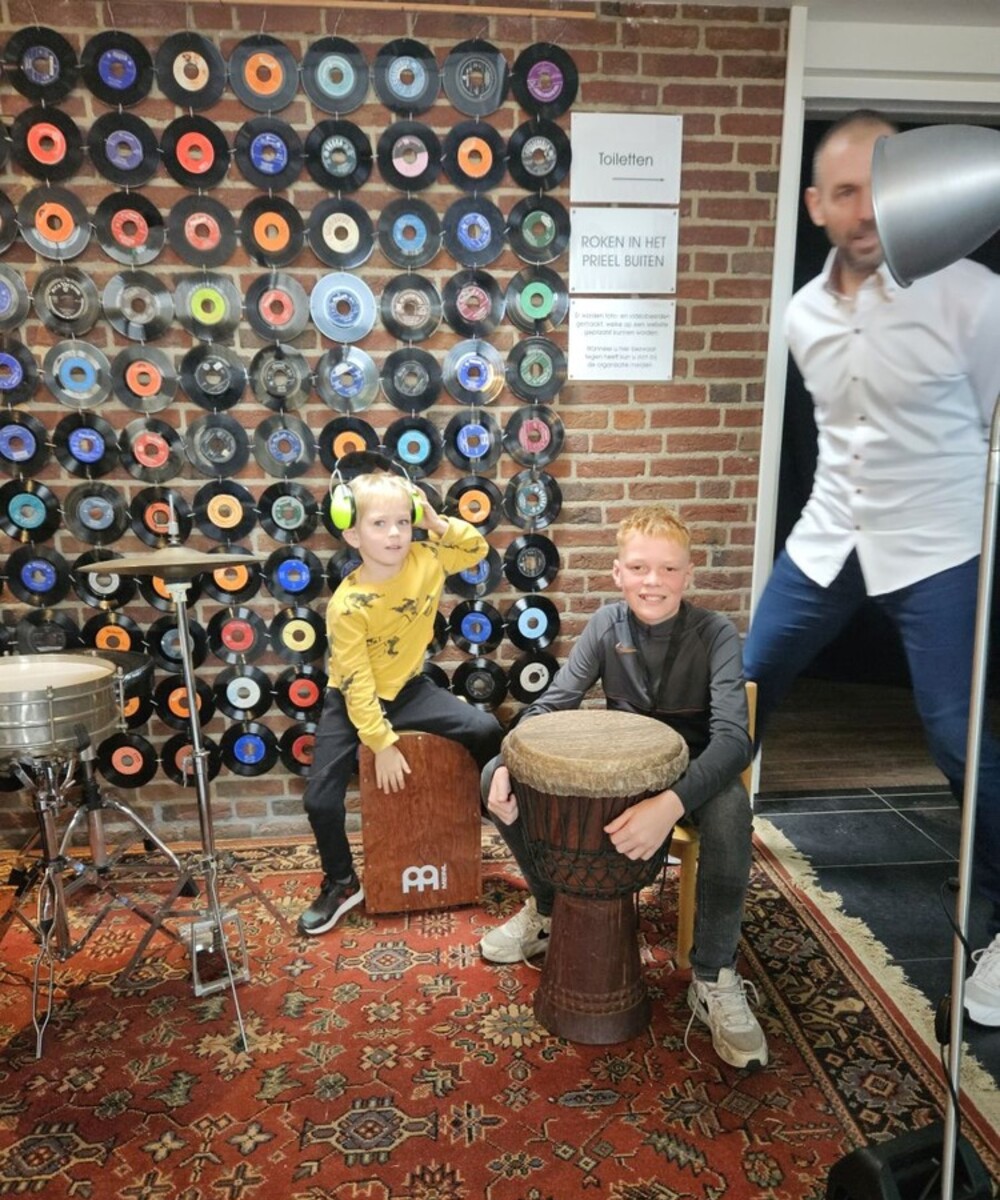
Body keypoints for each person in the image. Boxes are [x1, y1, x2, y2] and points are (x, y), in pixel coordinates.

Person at [742, 109, 1000, 1027]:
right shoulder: (803, 314)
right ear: (815, 204)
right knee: (744, 687)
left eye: (881, 190)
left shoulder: (972, 296)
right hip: (829, 539)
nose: (865, 211)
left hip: (937, 545)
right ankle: (702, 842)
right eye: (846, 192)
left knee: (958, 737)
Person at [480, 505, 767, 1071]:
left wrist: (672, 803)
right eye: (639, 568)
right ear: (618, 573)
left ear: (688, 575)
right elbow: (552, 704)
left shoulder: (716, 634)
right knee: (493, 774)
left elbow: (736, 741)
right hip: (625, 774)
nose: (652, 581)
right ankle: (547, 910)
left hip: (693, 776)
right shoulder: (606, 624)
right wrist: (511, 758)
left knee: (732, 810)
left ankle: (714, 974)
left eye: (668, 569)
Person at [300, 470, 502, 935]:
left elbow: (475, 550)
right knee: (319, 800)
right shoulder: (347, 604)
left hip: (409, 688)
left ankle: (489, 805)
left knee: (486, 729)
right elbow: (357, 683)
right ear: (352, 533)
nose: (394, 534)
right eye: (379, 524)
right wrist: (381, 743)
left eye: (402, 522)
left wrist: (436, 522)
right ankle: (341, 881)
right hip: (351, 696)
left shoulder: (426, 558)